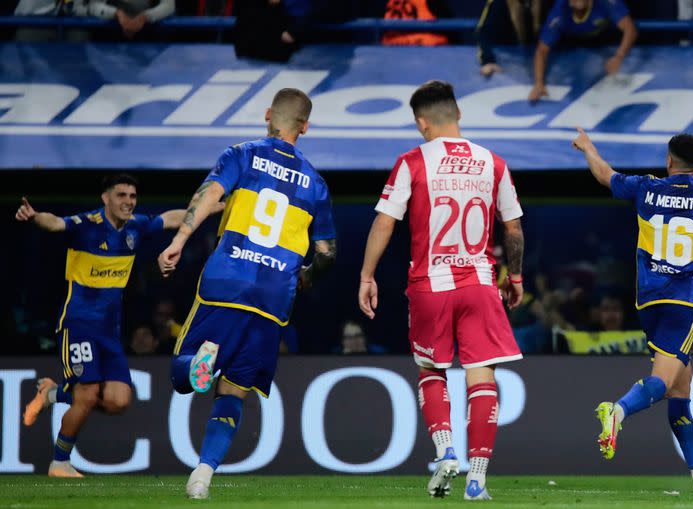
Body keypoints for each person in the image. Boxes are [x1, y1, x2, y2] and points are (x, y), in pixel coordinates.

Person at [158, 88, 336, 499]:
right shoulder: (316, 183)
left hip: (228, 279)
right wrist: (306, 273)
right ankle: (202, 475)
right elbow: (327, 252)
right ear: (305, 127)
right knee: (235, 390)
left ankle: (203, 361)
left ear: (268, 114)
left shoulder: (241, 153)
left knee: (181, 377)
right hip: (275, 294)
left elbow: (210, 195)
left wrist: (181, 238)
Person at [358, 80, 525, 501]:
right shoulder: (494, 163)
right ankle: (478, 479)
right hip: (481, 283)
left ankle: (446, 450)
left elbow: (384, 222)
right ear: (458, 115)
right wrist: (516, 277)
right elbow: (514, 229)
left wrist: (367, 275)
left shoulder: (412, 161)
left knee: (432, 371)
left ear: (422, 123)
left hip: (430, 286)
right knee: (482, 373)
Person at [572, 129, 693, 491]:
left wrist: (588, 147)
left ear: (668, 160)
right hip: (685, 300)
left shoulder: (646, 188)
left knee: (681, 386)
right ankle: (617, 411)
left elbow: (605, 176)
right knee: (663, 383)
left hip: (649, 301)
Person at [16, 174, 188, 478]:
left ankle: (52, 394)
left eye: (132, 196)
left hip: (109, 331)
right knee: (86, 394)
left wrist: (214, 208)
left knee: (118, 401)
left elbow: (171, 218)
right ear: (105, 198)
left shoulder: (135, 226)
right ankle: (59, 462)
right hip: (78, 323)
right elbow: (54, 223)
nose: (128, 202)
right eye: (121, 195)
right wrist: (33, 217)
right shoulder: (87, 225)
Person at [529, 0, 637, 102]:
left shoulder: (605, 2)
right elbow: (542, 50)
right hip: (571, 45)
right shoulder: (560, 10)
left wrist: (619, 57)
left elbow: (630, 29)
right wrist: (538, 83)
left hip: (607, 40)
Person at [476, 0, 544, 77]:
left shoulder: (547, 3)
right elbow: (483, 33)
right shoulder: (497, 3)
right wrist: (488, 60)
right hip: (508, 54)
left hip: (538, 55)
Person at [88, 0, 175, 39]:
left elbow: (168, 6)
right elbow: (94, 6)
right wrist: (116, 13)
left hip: (148, 40)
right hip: (107, 41)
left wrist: (144, 17)